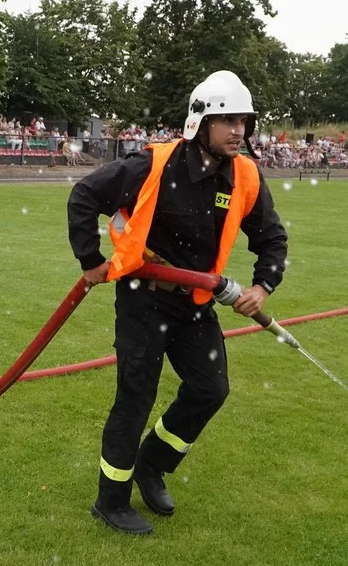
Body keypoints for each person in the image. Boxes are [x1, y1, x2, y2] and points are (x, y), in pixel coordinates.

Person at [67, 70, 288, 535]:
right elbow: (84, 195)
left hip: (196, 304)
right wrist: (90, 259)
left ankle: (153, 463)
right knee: (135, 396)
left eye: (243, 121)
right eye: (227, 121)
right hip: (143, 300)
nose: (238, 131)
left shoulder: (244, 175)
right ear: (200, 122)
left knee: (211, 389)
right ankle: (110, 500)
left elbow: (272, 238)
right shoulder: (153, 165)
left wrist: (262, 286)